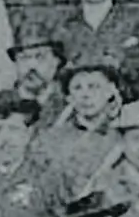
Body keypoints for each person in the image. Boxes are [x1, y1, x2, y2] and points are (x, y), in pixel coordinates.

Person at [33, 50, 124, 184]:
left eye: (94, 87)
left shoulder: (122, 138)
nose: (85, 95)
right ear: (69, 97)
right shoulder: (50, 139)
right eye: (77, 88)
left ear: (110, 91)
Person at [8, 21, 66, 118]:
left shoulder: (69, 107)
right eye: (24, 58)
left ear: (56, 61)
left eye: (40, 57)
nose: (31, 65)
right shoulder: (0, 106)